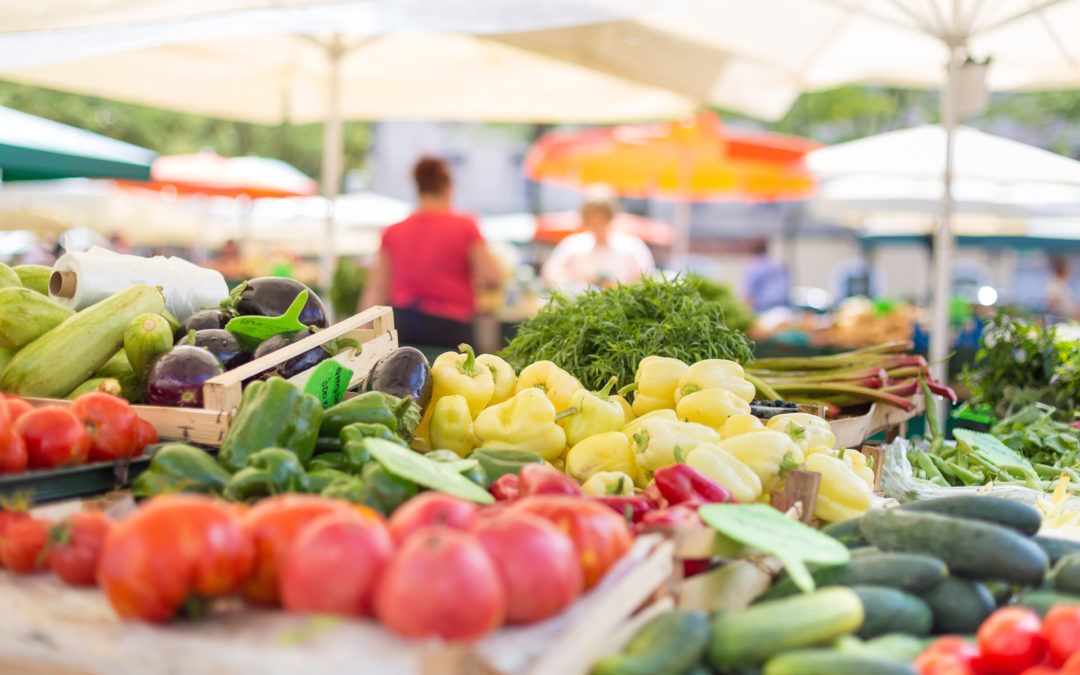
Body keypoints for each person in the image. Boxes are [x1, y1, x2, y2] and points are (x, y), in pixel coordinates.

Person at [360, 156, 501, 348]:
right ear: (448, 187)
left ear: (418, 187)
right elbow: (492, 277)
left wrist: (362, 335)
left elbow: (377, 288)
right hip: (451, 326)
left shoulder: (394, 231)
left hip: (404, 323)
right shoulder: (465, 226)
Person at [540, 186, 655, 292]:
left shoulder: (632, 247)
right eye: (592, 219)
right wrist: (577, 277)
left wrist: (619, 285)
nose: (596, 223)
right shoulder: (573, 246)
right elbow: (550, 273)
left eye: (601, 218)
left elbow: (646, 279)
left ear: (610, 217)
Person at [742, 237, 790, 313]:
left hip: (762, 311)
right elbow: (787, 288)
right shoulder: (778, 264)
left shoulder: (753, 266)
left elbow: (748, 294)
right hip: (782, 310)